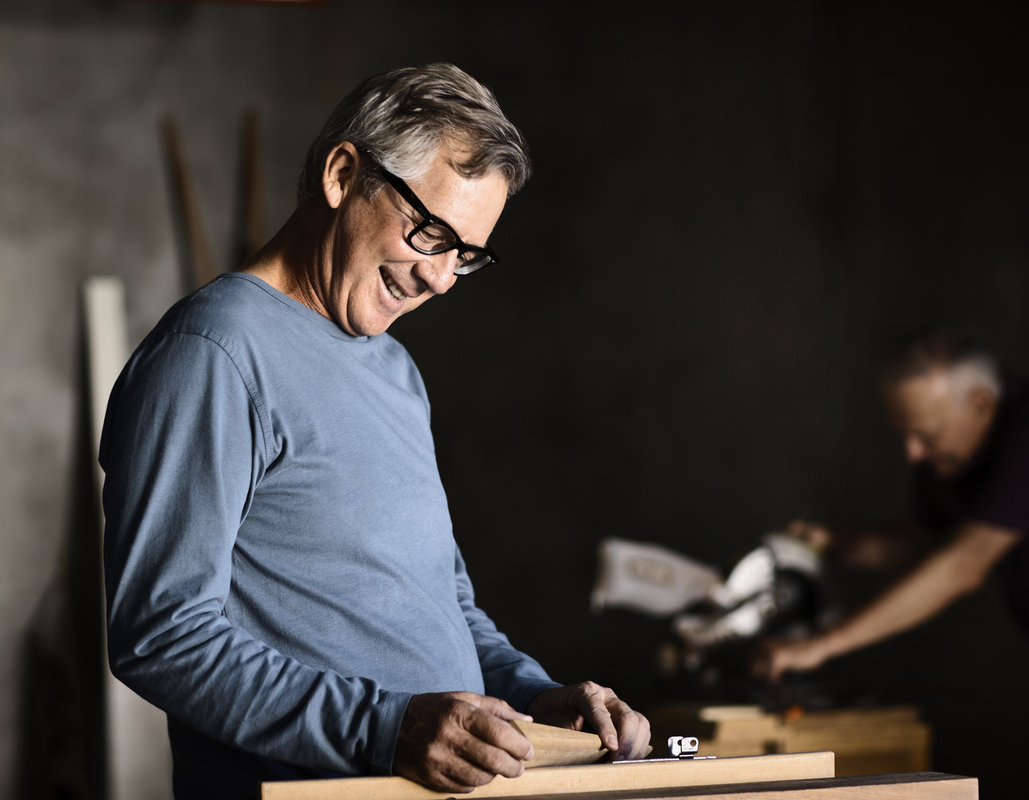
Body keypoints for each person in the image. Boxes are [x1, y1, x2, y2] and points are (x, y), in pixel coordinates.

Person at [100, 63, 651, 799]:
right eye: (430, 232)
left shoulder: (392, 369)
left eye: (465, 255)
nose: (440, 279)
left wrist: (534, 696)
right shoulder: (216, 354)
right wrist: (384, 729)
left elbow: (441, 605)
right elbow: (161, 635)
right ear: (341, 174)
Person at [752, 329, 1029, 681]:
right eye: (905, 437)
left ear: (981, 404)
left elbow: (962, 566)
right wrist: (828, 546)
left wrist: (819, 646)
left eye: (927, 436)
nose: (912, 454)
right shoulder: (945, 455)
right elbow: (915, 540)